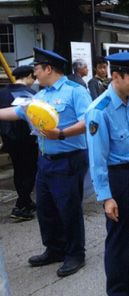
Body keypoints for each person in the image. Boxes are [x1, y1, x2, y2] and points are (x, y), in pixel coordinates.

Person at [0, 47, 91, 277]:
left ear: (48, 68)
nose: (35, 73)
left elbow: (88, 121)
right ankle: (54, 248)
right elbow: (20, 112)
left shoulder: (75, 91)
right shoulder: (40, 95)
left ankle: (75, 254)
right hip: (46, 160)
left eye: (37, 68)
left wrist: (61, 133)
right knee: (46, 208)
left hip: (68, 159)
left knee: (69, 209)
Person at [85, 52, 129, 296]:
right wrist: (106, 197)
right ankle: (119, 294)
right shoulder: (99, 111)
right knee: (120, 238)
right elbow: (97, 159)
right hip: (118, 177)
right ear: (116, 76)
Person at [0, 65, 37, 222]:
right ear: (29, 76)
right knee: (30, 171)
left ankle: (26, 201)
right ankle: (20, 205)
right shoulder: (31, 94)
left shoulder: (2, 92)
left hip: (9, 139)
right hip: (27, 139)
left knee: (19, 170)